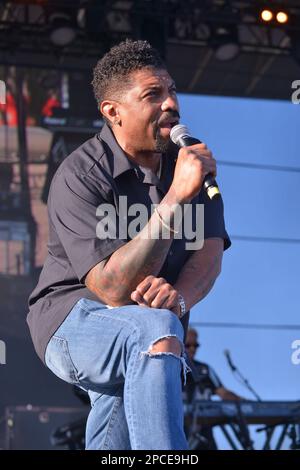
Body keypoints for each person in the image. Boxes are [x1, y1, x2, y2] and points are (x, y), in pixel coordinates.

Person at [27, 39, 231, 450]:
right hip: (72, 323)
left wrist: (181, 299)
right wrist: (175, 197)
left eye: (172, 91)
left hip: (140, 332)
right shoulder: (81, 174)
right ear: (113, 112)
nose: (170, 103)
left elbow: (209, 252)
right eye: (153, 95)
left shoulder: (187, 163)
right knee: (152, 329)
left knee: (118, 424)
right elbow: (113, 290)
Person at [184, 328, 241, 450]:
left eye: (195, 345)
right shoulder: (170, 368)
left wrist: (244, 401)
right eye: (188, 345)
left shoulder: (205, 369)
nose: (192, 349)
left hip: (204, 431)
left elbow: (222, 393)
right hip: (178, 427)